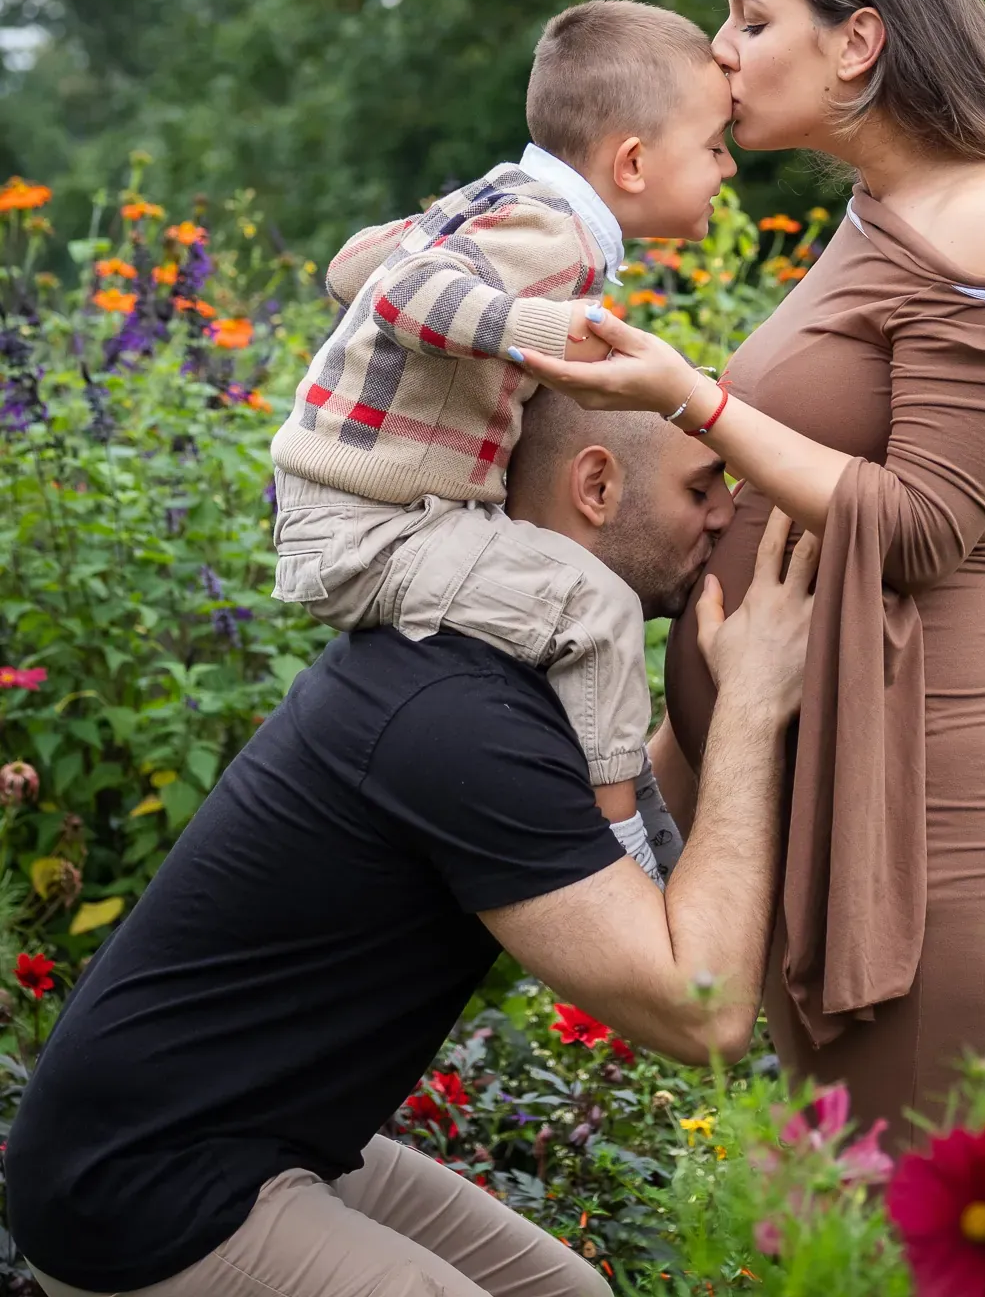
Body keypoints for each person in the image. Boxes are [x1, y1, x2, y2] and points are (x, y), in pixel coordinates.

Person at [513, 0, 985, 1145]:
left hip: (934, 827)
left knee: (898, 1239)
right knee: (851, 1231)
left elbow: (924, 523)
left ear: (859, 36)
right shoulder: (884, 211)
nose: (720, 49)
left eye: (753, 19)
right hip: (834, 808)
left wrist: (694, 399)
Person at [5, 394, 818, 1297]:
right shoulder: (460, 716)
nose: (723, 512)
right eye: (703, 486)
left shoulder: (511, 662)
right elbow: (696, 1012)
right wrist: (751, 708)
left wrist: (720, 689)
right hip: (142, 1190)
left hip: (258, 1135)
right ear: (595, 485)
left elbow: (615, 852)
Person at [269, 0, 736, 882]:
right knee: (594, 611)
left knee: (564, 603)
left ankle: (640, 821)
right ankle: (623, 861)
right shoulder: (549, 235)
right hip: (369, 527)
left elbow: (352, 268)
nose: (727, 167)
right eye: (714, 146)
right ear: (632, 162)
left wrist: (431, 244)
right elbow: (404, 300)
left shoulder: (506, 200)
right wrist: (546, 333)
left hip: (386, 511)